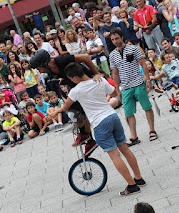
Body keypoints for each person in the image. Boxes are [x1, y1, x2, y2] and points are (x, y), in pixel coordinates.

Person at [55, 62, 146, 196]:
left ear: (74, 77)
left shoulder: (76, 90)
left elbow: (66, 107)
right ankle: (138, 178)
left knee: (115, 155)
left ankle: (131, 186)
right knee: (125, 149)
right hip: (112, 116)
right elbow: (115, 92)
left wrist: (53, 112)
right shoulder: (99, 80)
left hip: (99, 123)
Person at [30, 49, 101, 154]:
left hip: (87, 81)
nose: (39, 71)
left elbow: (85, 57)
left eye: (39, 68)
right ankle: (88, 138)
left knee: (74, 111)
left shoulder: (62, 60)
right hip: (76, 85)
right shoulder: (51, 70)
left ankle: (87, 137)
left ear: (45, 63)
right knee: (77, 112)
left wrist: (96, 74)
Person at [109, 28, 157, 146]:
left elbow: (143, 64)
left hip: (138, 83)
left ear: (121, 37)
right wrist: (117, 88)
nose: (115, 41)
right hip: (125, 87)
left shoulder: (133, 49)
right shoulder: (112, 55)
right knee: (128, 113)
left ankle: (152, 130)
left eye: (117, 38)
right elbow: (115, 73)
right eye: (113, 40)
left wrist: (148, 80)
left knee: (147, 107)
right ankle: (133, 136)